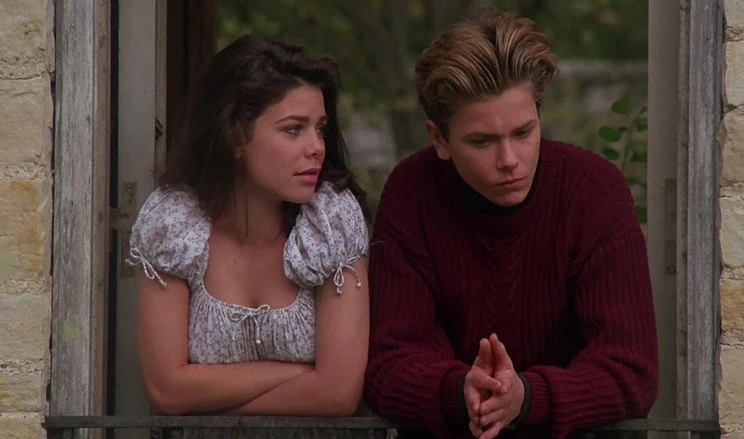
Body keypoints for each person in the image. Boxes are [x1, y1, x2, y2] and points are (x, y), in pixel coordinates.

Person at [364, 10, 659, 439]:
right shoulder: (413, 193)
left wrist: (526, 397)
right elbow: (389, 365)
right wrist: (460, 390)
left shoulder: (594, 192)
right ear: (439, 139)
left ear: (539, 115)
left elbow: (631, 371)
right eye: (482, 141)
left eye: (523, 133)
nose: (509, 160)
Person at [126, 35, 371, 438]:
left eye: (320, 129)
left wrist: (203, 400)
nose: (316, 147)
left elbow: (339, 394)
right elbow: (167, 391)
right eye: (294, 129)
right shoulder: (173, 224)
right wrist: (303, 374)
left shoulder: (330, 221)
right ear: (235, 136)